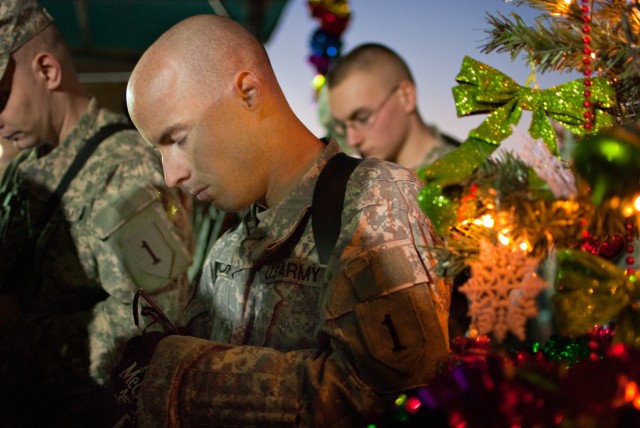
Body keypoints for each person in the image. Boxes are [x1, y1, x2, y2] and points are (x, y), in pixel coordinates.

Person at [121, 13, 452, 427]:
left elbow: (401, 395)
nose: (172, 174)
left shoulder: (374, 199)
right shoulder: (228, 246)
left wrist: (184, 376)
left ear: (247, 92)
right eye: (160, 151)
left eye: (178, 139)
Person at [0, 1, 194, 426]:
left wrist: (17, 338)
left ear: (47, 71)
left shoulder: (125, 166)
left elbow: (153, 322)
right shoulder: (21, 169)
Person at [326, 42, 459, 169]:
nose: (352, 141)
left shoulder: (465, 181)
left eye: (362, 118)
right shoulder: (376, 184)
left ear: (406, 96)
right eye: (343, 126)